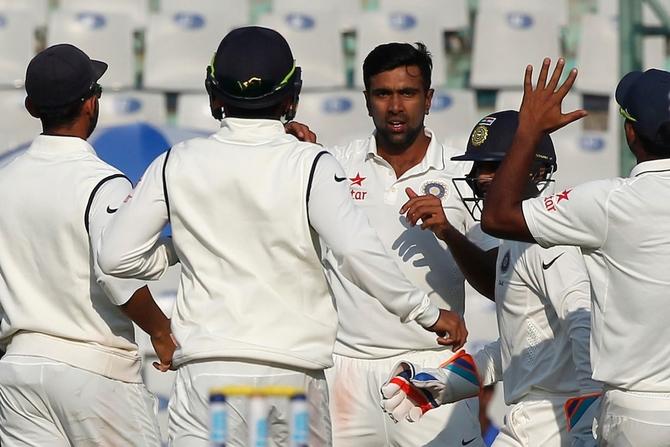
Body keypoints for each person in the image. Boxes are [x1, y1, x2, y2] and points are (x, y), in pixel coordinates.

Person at [97, 26, 465, 447]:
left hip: (209, 382)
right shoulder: (310, 163)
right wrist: (428, 313)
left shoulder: (177, 161)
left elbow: (114, 258)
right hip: (291, 383)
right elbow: (356, 251)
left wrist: (177, 249)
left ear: (214, 95)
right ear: (292, 96)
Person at [312, 42, 497, 447]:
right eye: (383, 94)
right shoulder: (332, 166)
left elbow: (493, 283)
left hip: (431, 368)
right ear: (367, 100)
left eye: (408, 93)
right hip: (346, 369)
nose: (395, 106)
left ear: (428, 99)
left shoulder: (462, 172)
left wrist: (449, 232)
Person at [383, 110, 602, 446]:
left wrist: (587, 427)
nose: (480, 178)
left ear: (534, 170)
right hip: (530, 419)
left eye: (493, 167)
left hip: (555, 424)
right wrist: (441, 382)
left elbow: (583, 325)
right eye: (478, 168)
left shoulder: (548, 241)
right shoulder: (517, 241)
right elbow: (522, 345)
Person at [481, 59, 670, 445]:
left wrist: (529, 129)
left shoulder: (609, 202)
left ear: (630, 133)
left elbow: (498, 216)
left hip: (638, 414)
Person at [0, 44, 174, 446]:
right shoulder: (102, 182)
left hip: (20, 368)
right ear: (92, 104)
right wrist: (161, 333)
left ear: (31, 107)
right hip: (94, 369)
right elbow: (117, 276)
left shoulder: (5, 181)